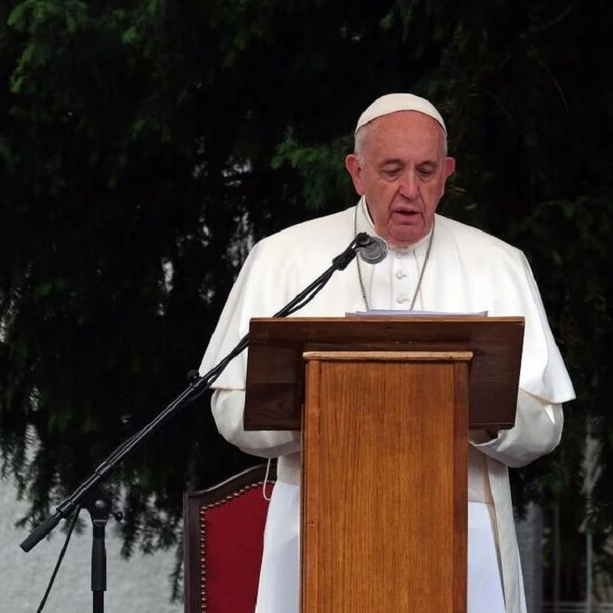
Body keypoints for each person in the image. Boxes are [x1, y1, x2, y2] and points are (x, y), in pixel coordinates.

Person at [199, 93, 575, 613]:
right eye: (392, 170)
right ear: (357, 173)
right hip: (320, 523)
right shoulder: (284, 257)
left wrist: (472, 410)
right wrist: (329, 409)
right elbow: (231, 408)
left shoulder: (498, 263)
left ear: (446, 174)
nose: (410, 190)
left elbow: (546, 426)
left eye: (426, 171)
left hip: (460, 527)